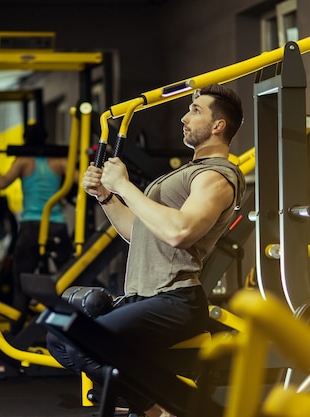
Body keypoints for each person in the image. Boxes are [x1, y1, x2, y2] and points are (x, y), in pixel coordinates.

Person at [46, 84, 246, 417]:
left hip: (174, 300)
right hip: (144, 296)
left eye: (195, 110)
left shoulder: (216, 176)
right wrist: (106, 196)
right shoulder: (187, 172)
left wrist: (124, 185)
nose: (184, 117)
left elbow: (180, 231)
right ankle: (159, 408)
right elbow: (136, 232)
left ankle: (163, 407)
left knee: (85, 342)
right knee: (58, 336)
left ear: (218, 126)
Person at [0, 123, 74, 334]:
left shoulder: (23, 160)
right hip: (55, 225)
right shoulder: (60, 161)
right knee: (69, 280)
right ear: (47, 139)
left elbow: (2, 183)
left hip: (31, 226)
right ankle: (71, 331)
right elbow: (80, 179)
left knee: (21, 284)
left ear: (24, 140)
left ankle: (16, 334)